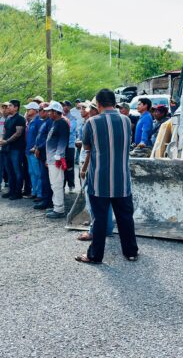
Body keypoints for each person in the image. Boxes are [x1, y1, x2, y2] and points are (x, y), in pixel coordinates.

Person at [76, 88, 138, 264]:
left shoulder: (92, 122)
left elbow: (87, 147)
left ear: (99, 104)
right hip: (122, 179)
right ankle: (131, 252)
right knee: (125, 218)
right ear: (114, 103)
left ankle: (95, 255)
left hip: (99, 180)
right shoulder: (126, 120)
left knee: (99, 219)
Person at [76, 105, 115, 242]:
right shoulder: (101, 123)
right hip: (103, 166)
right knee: (106, 200)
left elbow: (89, 150)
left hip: (92, 166)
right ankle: (107, 228)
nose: (85, 111)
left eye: (88, 108)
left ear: (95, 109)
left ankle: (94, 230)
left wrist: (84, 169)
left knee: (93, 200)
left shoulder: (92, 123)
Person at [44, 101, 69, 218]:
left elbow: (63, 140)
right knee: (54, 184)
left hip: (56, 158)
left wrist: (58, 155)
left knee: (57, 183)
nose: (48, 113)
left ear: (55, 112)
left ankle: (59, 209)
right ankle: (56, 206)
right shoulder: (55, 123)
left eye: (50, 111)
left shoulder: (62, 123)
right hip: (52, 158)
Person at [0, 99, 26, 200]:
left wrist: (6, 141)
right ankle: (11, 190)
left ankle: (18, 192)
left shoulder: (20, 119)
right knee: (9, 171)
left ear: (16, 107)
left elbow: (18, 133)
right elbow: (4, 131)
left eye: (10, 106)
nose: (8, 107)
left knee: (17, 171)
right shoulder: (8, 118)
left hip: (16, 149)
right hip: (7, 148)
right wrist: (2, 139)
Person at [33, 103, 53, 210]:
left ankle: (47, 201)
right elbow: (40, 136)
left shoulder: (50, 122)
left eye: (41, 109)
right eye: (39, 109)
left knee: (46, 179)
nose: (40, 111)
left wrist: (39, 148)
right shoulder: (44, 122)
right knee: (43, 177)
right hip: (41, 153)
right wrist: (37, 147)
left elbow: (48, 140)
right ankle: (45, 199)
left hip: (46, 153)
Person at [24, 102, 42, 201]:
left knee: (37, 173)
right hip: (28, 151)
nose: (27, 111)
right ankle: (34, 191)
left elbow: (40, 137)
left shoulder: (39, 121)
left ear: (35, 110)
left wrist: (36, 147)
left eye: (29, 109)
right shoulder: (31, 121)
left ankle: (39, 193)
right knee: (31, 172)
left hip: (34, 151)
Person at [62, 100, 79, 192]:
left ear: (69, 107)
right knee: (62, 165)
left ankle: (71, 185)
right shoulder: (59, 117)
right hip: (61, 146)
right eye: (63, 105)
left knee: (70, 166)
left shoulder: (72, 118)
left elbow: (70, 129)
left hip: (70, 145)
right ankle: (63, 185)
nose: (65, 107)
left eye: (67, 106)